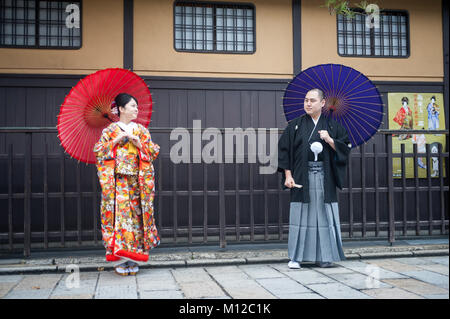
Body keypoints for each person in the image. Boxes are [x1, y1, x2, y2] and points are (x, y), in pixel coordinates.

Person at [278, 88, 351, 269]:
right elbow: (284, 151)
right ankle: (296, 257)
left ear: (323, 103)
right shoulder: (295, 125)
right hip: (302, 177)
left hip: (325, 178)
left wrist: (330, 140)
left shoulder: (333, 127)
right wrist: (288, 175)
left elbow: (345, 149)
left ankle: (325, 257)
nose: (308, 104)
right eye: (306, 100)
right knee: (300, 216)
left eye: (312, 100)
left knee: (324, 216)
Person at [94, 93, 160, 276]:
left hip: (137, 181)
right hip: (119, 182)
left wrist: (139, 144)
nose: (136, 109)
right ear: (121, 109)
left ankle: (134, 257)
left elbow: (153, 151)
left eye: (137, 107)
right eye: (132, 106)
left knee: (137, 217)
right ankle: (120, 260)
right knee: (120, 217)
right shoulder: (110, 131)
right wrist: (115, 141)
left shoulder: (141, 130)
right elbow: (98, 151)